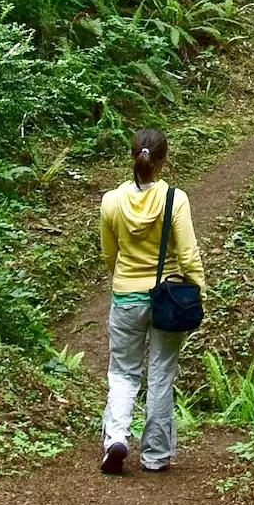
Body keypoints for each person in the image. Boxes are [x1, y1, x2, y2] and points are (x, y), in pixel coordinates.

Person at [97, 127, 205, 475]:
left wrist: (124, 279)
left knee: (123, 373)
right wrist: (199, 289)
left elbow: (109, 254)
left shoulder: (111, 201)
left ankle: (116, 436)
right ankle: (156, 455)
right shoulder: (176, 199)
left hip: (126, 296)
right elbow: (187, 255)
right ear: (164, 160)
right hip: (167, 300)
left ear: (133, 156)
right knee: (160, 375)